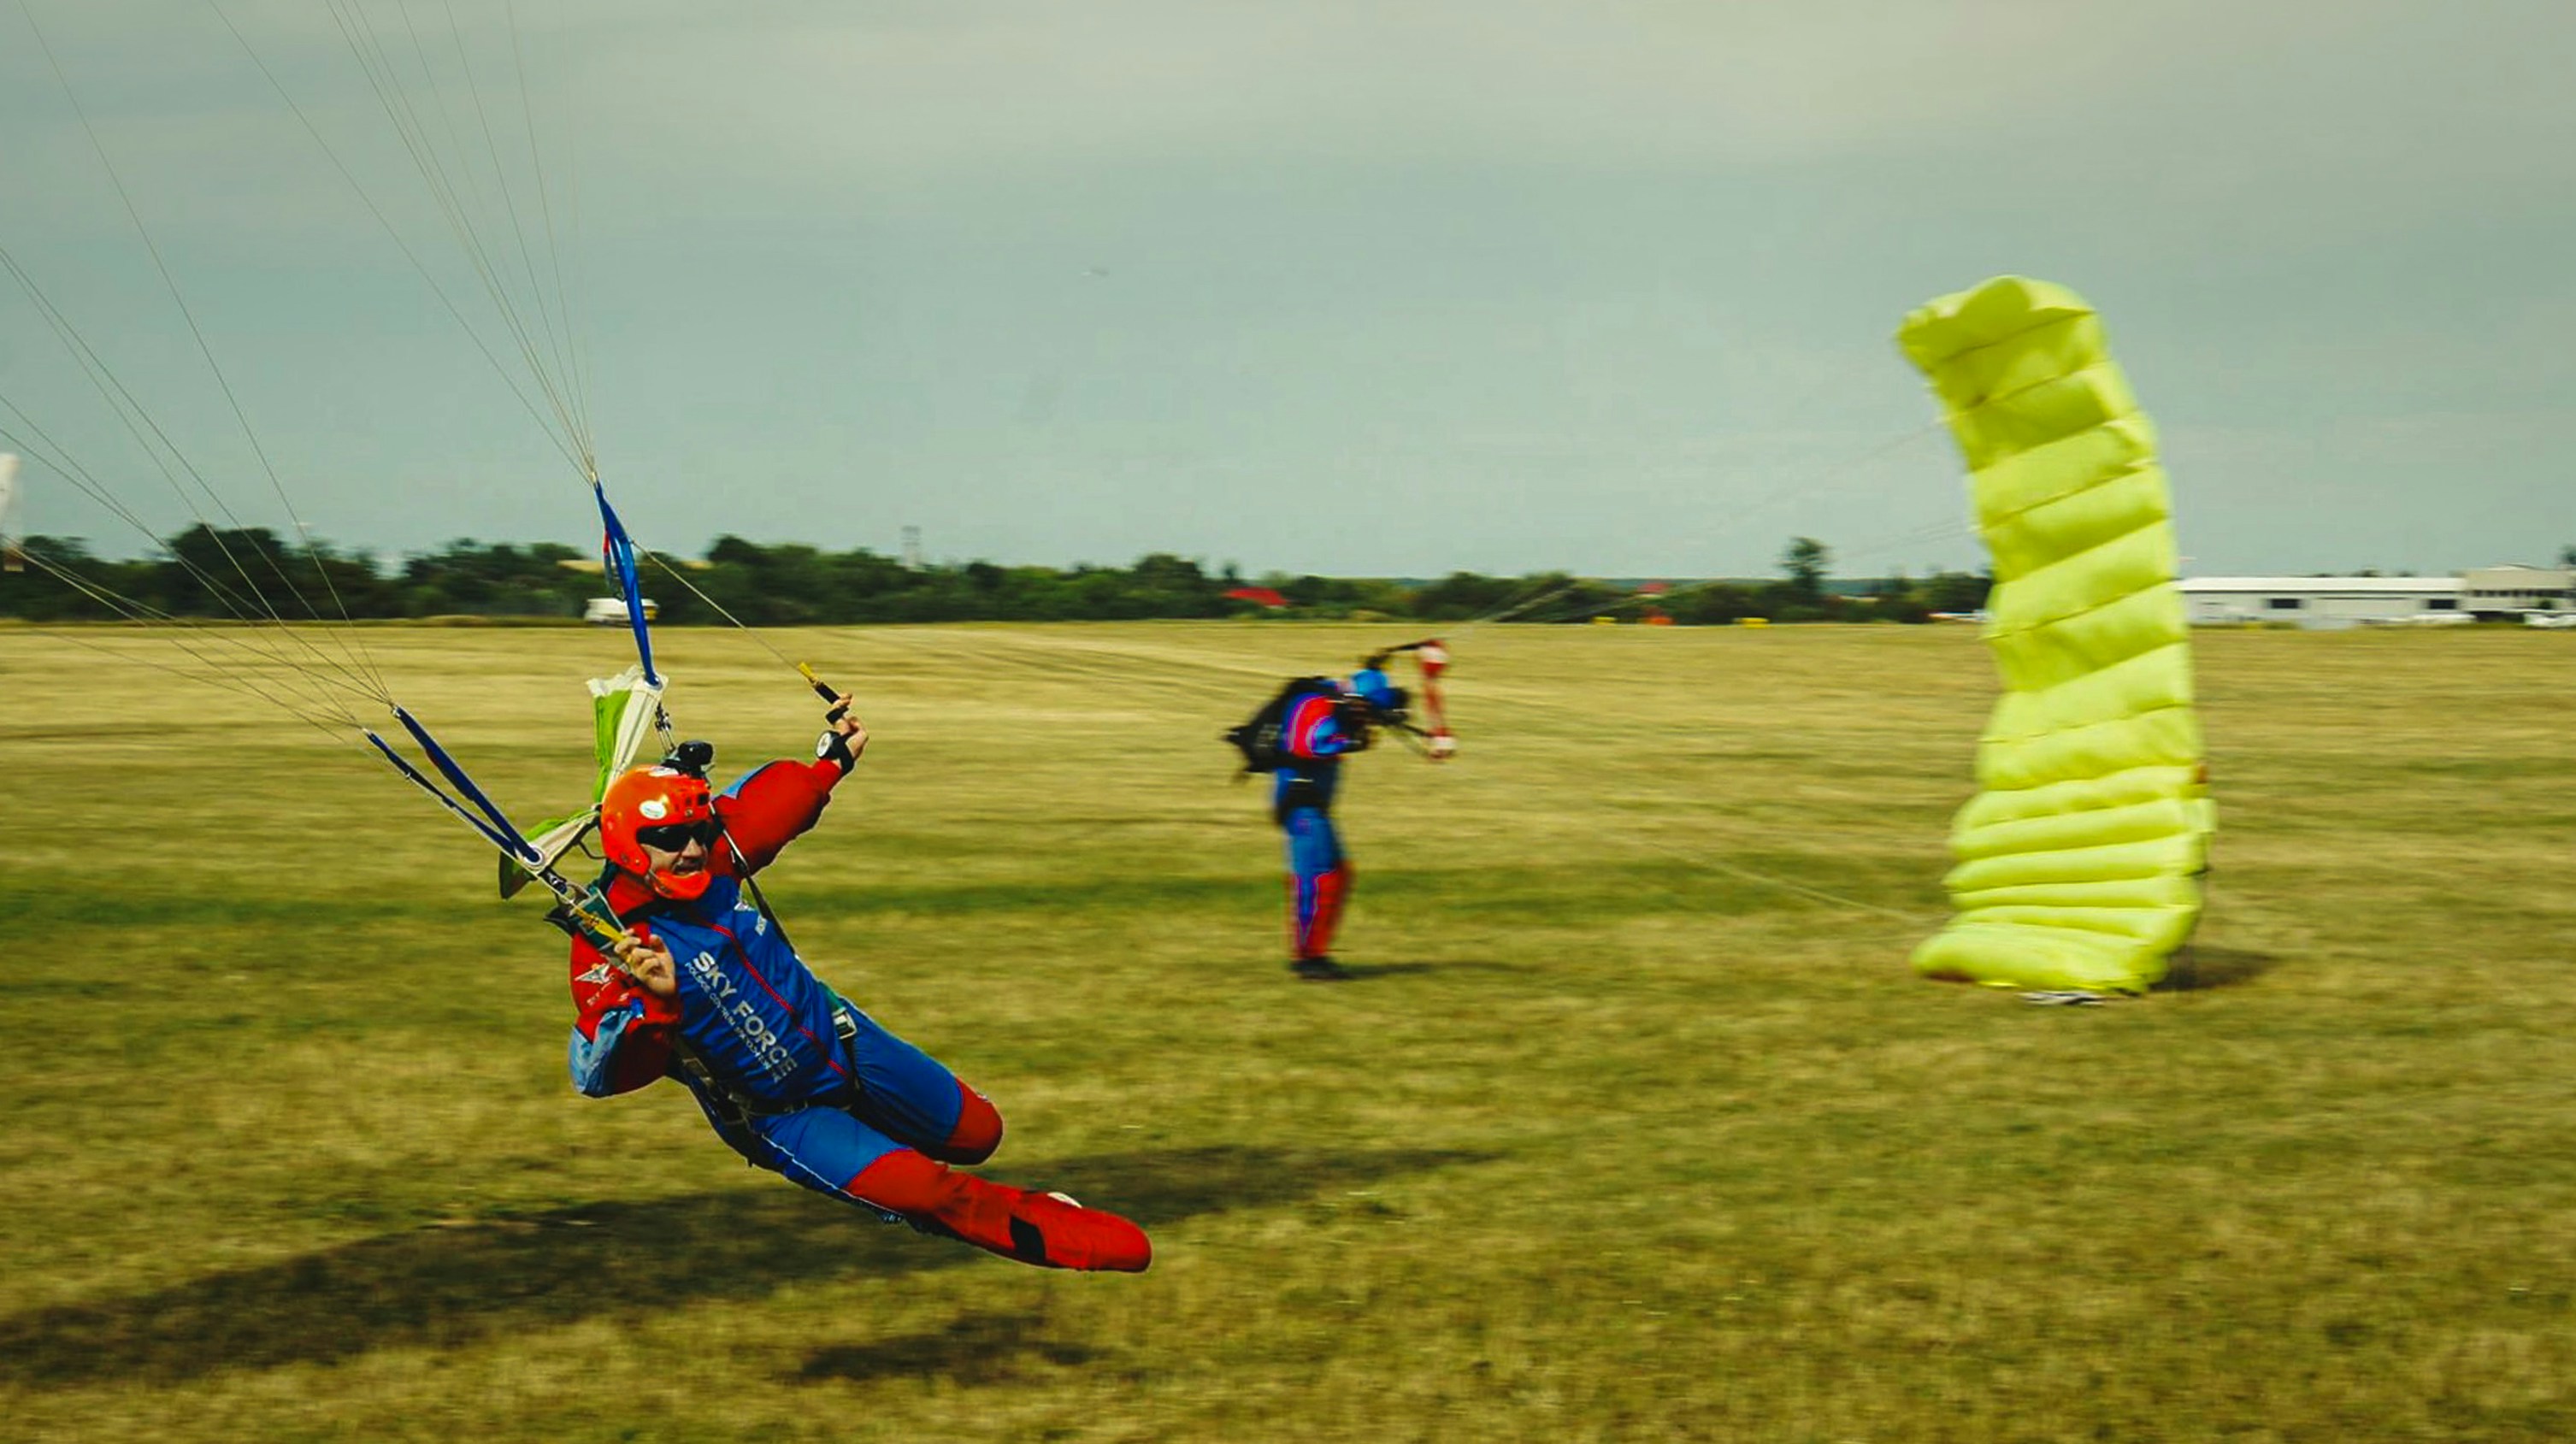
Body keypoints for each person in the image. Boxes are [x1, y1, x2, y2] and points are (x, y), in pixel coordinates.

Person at [564, 702, 1151, 1272]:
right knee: (929, 1193)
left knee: (978, 1132)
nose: (691, 848)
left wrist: (831, 762)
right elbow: (602, 1072)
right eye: (670, 838)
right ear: (625, 843)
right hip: (779, 1113)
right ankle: (1017, 1216)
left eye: (696, 831)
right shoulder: (613, 943)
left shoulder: (713, 861)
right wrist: (660, 1005)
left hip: (842, 1038)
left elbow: (772, 810)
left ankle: (894, 1165)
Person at [1268, 665, 1407, 981]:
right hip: (1300, 804)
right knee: (1317, 879)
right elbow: (1307, 744)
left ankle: (1316, 952)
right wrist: (1351, 742)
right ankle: (1308, 959)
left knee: (1338, 874)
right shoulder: (1314, 702)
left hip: (1313, 805)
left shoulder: (1329, 704)